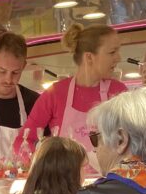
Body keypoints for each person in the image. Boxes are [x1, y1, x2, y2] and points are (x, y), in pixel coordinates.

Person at [19, 23, 127, 170]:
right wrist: (44, 167)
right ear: (89, 57)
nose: (118, 58)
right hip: (65, 182)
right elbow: (22, 141)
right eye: (112, 52)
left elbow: (136, 141)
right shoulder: (55, 94)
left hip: (110, 182)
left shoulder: (119, 93)